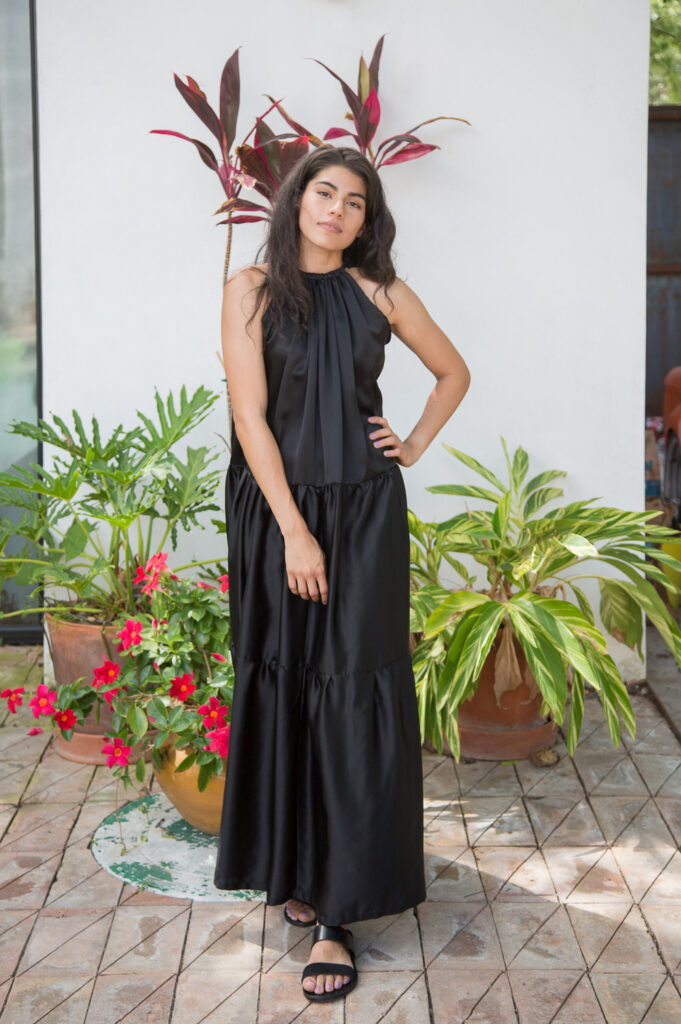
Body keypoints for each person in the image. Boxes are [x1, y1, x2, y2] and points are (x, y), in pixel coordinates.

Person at [213, 144, 470, 1003]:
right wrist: (293, 532)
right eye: (324, 192)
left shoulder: (381, 293)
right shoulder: (250, 291)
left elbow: (453, 372)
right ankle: (292, 865)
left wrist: (415, 442)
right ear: (296, 200)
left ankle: (336, 912)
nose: (336, 210)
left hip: (362, 515)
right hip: (276, 515)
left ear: (368, 220)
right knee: (286, 680)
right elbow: (250, 417)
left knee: (349, 687)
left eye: (355, 202)